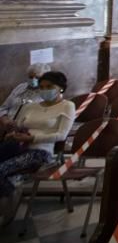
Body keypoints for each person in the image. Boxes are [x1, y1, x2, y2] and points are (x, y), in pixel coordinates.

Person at [0, 71, 74, 226]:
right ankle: (11, 188)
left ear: (60, 88)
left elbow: (61, 135)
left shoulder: (67, 106)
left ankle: (10, 196)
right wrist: (13, 133)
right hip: (18, 146)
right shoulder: (31, 107)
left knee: (2, 170)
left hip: (40, 151)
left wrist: (33, 138)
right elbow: (20, 126)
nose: (44, 90)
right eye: (41, 87)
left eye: (49, 86)